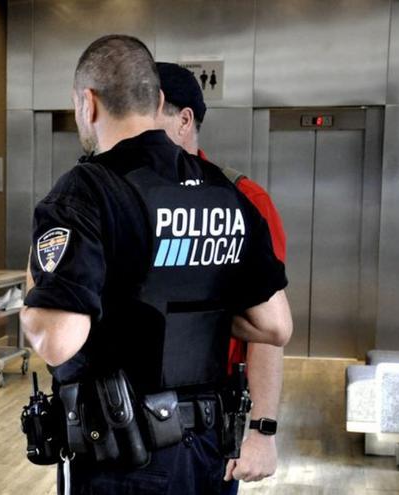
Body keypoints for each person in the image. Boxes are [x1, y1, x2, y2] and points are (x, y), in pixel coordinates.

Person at [20, 34, 293, 494]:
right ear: (158, 100)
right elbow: (275, 326)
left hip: (124, 456)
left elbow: (56, 341)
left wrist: (35, 291)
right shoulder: (225, 192)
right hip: (209, 449)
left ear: (88, 104)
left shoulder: (86, 191)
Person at [155, 62, 290, 492]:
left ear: (184, 120)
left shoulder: (242, 200)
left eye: (146, 119)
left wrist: (262, 431)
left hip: (209, 415)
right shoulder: (125, 198)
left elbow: (267, 328)